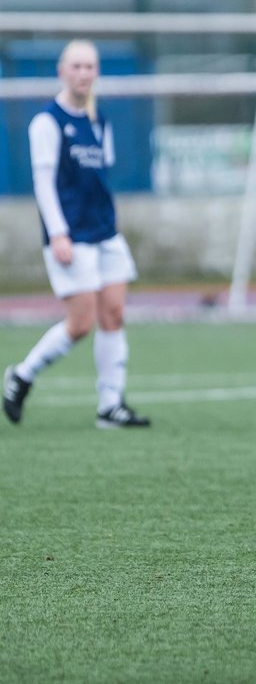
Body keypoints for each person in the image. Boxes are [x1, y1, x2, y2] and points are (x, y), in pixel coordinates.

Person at [2, 39, 150, 429]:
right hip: (72, 236)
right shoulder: (47, 122)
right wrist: (59, 233)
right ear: (62, 72)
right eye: (77, 66)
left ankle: (110, 405)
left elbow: (102, 176)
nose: (84, 73)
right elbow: (44, 183)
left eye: (90, 67)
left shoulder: (99, 120)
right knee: (80, 323)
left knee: (114, 314)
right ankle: (21, 375)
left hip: (105, 232)